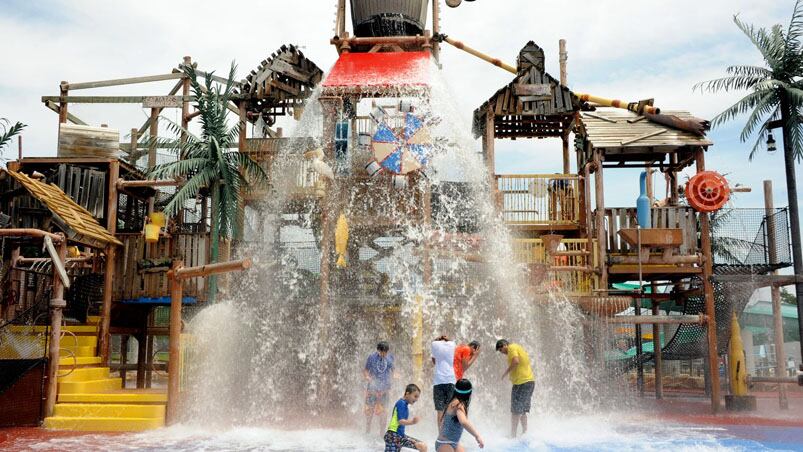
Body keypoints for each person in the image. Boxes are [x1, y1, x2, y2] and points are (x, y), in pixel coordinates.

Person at [496, 339, 535, 438]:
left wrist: (506, 373)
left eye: (501, 350)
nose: (502, 353)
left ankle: (513, 435)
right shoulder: (517, 347)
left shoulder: (512, 347)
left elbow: (516, 361)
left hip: (521, 383)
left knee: (515, 410)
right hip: (529, 382)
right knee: (522, 410)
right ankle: (525, 433)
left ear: (504, 345)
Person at [435, 378, 484, 451]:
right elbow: (463, 422)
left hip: (454, 443)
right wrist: (477, 436)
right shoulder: (458, 404)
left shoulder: (454, 401)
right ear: (469, 393)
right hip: (444, 443)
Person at [384, 383, 428, 452]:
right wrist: (412, 422)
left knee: (422, 446)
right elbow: (400, 421)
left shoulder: (404, 404)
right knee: (422, 446)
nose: (416, 399)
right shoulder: (401, 403)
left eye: (418, 397)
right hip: (393, 436)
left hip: (400, 436)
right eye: (415, 396)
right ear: (407, 394)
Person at [365, 341, 395, 434]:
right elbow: (366, 370)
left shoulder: (390, 358)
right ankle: (368, 431)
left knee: (384, 412)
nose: (383, 354)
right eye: (382, 352)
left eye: (385, 352)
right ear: (378, 350)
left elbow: (393, 370)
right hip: (372, 389)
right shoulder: (371, 357)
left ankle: (382, 433)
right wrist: (367, 377)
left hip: (384, 389)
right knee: (369, 410)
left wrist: (394, 376)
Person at [431, 335, 457, 428]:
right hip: (451, 381)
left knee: (440, 411)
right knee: (451, 410)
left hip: (438, 382)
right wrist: (446, 339)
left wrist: (438, 338)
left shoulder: (434, 344)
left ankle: (441, 436)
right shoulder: (452, 344)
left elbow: (433, 361)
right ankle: (451, 434)